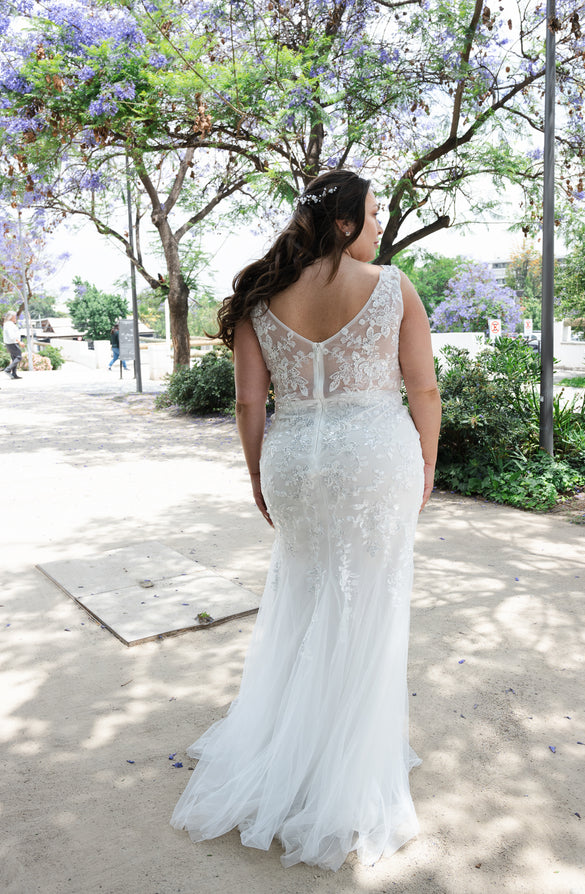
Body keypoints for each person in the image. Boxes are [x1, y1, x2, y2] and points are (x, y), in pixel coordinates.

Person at [170, 170, 442, 870]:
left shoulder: (261, 299)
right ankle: (347, 770)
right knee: (371, 609)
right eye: (375, 216)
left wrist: (260, 475)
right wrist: (429, 463)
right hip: (377, 459)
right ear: (346, 224)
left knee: (304, 599)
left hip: (294, 460)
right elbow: (424, 387)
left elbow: (249, 406)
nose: (381, 228)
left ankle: (292, 751)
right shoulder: (392, 286)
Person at [3, 311, 23, 379]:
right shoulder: (9, 324)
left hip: (10, 343)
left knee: (14, 358)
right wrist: (19, 342)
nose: (16, 318)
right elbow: (12, 336)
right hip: (12, 343)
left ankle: (14, 374)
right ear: (11, 317)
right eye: (15, 316)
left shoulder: (8, 324)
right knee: (19, 357)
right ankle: (7, 370)